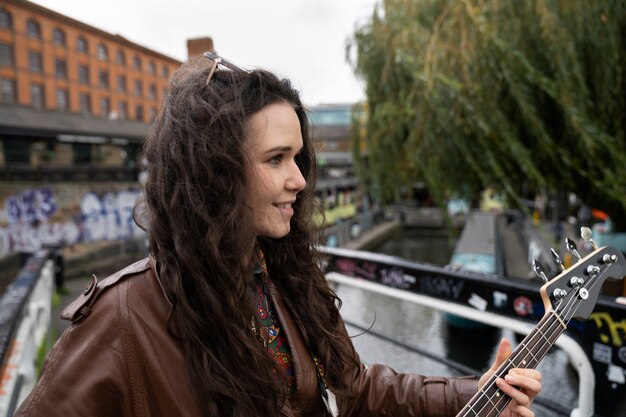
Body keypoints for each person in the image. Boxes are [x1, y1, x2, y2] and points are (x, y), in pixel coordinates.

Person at [15, 53, 541, 417]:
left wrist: (475, 392)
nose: (300, 179)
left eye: (298, 157)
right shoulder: (124, 317)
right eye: (276, 159)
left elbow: (354, 392)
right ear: (215, 174)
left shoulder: (281, 275)